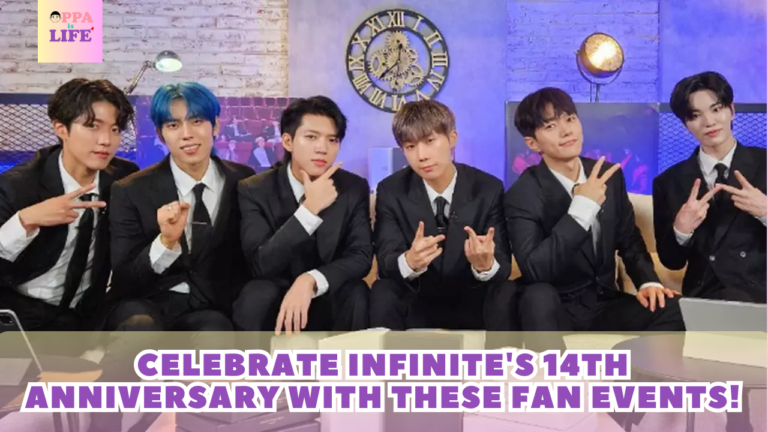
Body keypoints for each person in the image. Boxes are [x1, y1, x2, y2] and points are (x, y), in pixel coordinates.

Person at [504, 87, 684, 352]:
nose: (566, 131)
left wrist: (647, 281)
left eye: (570, 119)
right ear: (533, 143)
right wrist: (581, 209)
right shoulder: (523, 193)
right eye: (551, 126)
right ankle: (556, 377)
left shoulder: (609, 175)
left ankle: (621, 370)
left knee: (676, 308)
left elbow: (629, 239)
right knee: (537, 295)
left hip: (604, 302)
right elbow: (534, 270)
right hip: (554, 308)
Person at [107, 82, 254, 334]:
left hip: (211, 308)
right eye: (173, 125)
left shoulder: (244, 180)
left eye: (196, 121)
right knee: (139, 328)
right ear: (160, 134)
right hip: (147, 300)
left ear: (216, 125)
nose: (187, 134)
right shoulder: (130, 189)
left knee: (215, 334)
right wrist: (165, 243)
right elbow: (124, 278)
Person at [0, 78, 138, 334]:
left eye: (115, 129)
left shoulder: (125, 179)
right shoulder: (19, 185)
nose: (106, 140)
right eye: (93, 126)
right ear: (61, 128)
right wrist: (24, 221)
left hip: (86, 315)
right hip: (20, 312)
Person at [371, 100, 518, 332]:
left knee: (505, 291)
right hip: (418, 301)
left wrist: (485, 265)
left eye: (430, 141)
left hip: (471, 300)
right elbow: (387, 262)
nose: (422, 155)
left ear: (452, 138)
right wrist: (410, 261)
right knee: (383, 291)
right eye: (410, 146)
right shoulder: (391, 190)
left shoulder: (488, 188)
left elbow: (503, 266)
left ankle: (500, 357)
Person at [234, 96, 370, 334]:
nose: (322, 148)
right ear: (288, 141)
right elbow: (259, 264)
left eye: (332, 140)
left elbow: (361, 256)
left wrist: (311, 280)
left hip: (326, 290)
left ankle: (350, 359)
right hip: (276, 296)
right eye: (311, 137)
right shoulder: (254, 189)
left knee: (356, 292)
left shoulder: (353, 187)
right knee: (255, 295)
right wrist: (309, 211)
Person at [654, 71, 766, 304]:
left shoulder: (764, 163)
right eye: (696, 115)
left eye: (716, 109)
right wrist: (681, 230)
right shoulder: (668, 182)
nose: (709, 122)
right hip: (704, 297)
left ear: (731, 110)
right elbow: (671, 261)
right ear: (686, 124)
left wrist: (765, 211)